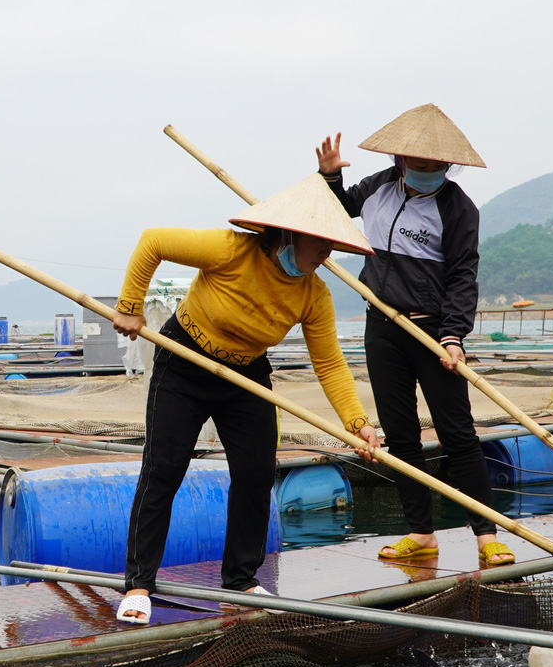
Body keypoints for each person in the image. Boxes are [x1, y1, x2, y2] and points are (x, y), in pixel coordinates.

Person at [111, 176, 380, 625]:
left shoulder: (315, 294)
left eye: (333, 247)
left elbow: (330, 364)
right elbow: (152, 241)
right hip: (185, 361)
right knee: (164, 470)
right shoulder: (231, 249)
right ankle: (139, 583)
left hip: (246, 374)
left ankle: (239, 582)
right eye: (321, 244)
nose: (326, 256)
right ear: (292, 233)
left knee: (256, 475)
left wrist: (357, 423)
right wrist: (130, 305)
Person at [318, 103, 513, 570]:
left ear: (449, 166)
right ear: (401, 160)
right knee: (402, 438)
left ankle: (487, 534)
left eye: (436, 166)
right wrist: (329, 177)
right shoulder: (379, 187)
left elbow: (464, 275)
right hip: (381, 326)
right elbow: (339, 210)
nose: (426, 172)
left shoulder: (458, 208)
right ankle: (420, 534)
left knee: (458, 435)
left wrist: (453, 335)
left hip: (431, 330)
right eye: (418, 164)